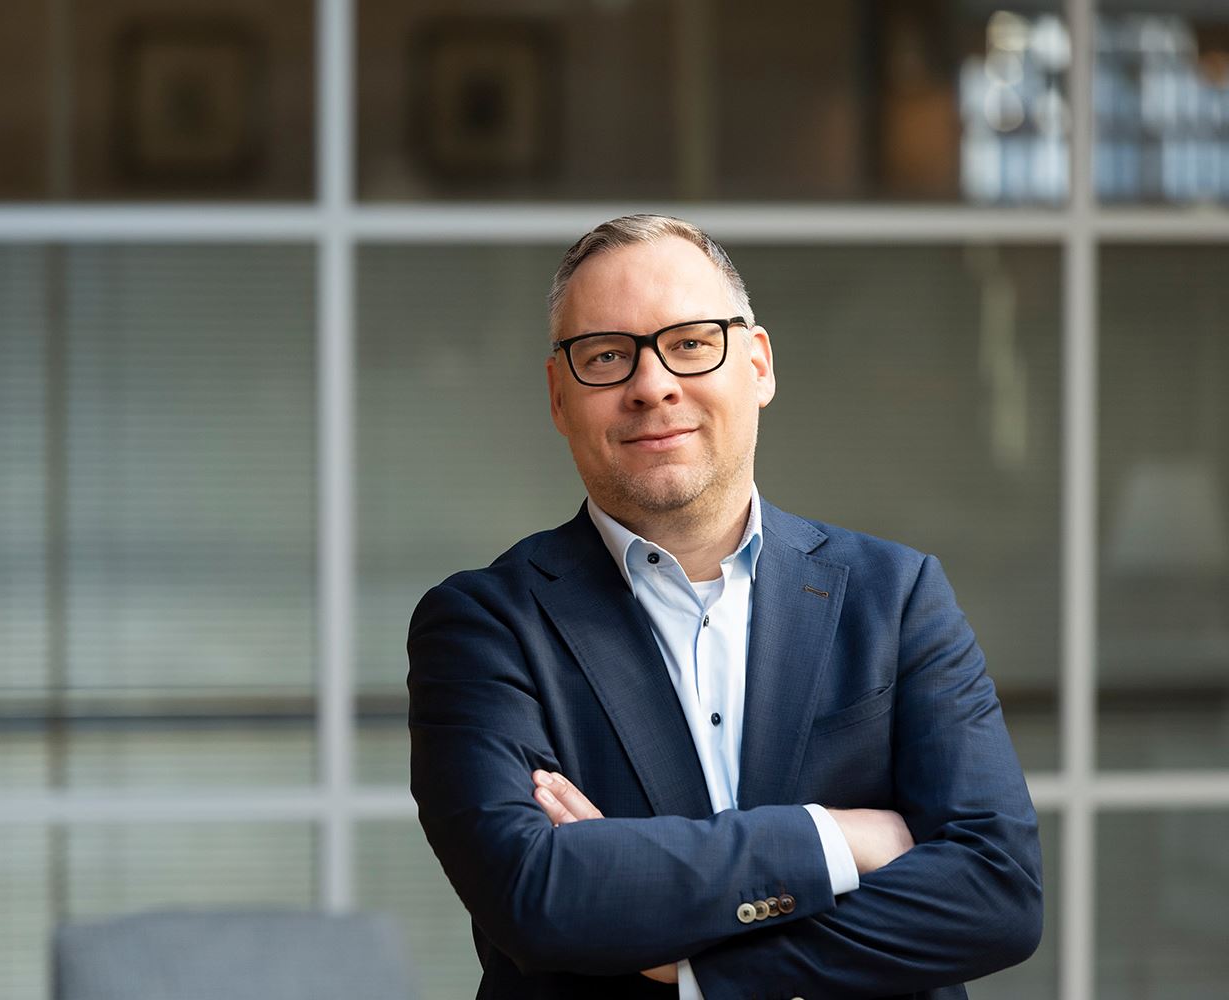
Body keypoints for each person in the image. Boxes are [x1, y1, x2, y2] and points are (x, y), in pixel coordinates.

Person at [407, 214, 1042, 999]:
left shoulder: (897, 596)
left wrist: (696, 965)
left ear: (759, 365)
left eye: (690, 343)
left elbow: (997, 895)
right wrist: (833, 836)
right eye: (606, 355)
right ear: (559, 396)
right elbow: (536, 894)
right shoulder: (481, 627)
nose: (652, 385)